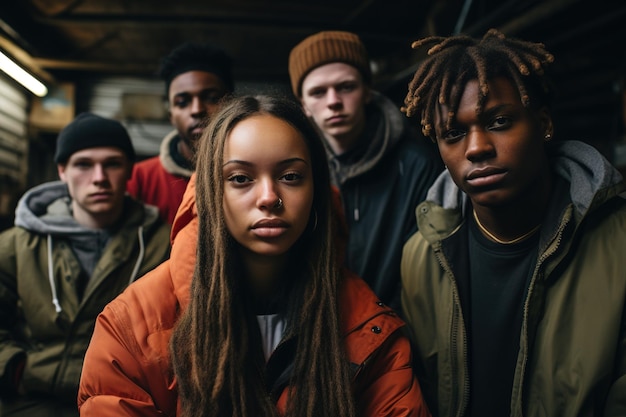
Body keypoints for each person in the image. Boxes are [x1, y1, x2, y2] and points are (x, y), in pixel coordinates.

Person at [77, 95, 431, 417]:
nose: (268, 197)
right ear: (210, 192)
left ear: (316, 191)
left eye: (291, 176)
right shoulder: (132, 326)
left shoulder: (368, 327)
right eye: (241, 178)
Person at [400, 28, 626, 417]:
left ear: (543, 123)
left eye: (500, 121)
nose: (476, 148)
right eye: (453, 133)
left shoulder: (618, 241)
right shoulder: (420, 257)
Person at [0, 112, 171, 416]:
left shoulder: (162, 246)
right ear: (62, 170)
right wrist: (14, 369)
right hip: (29, 403)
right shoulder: (17, 245)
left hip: (121, 405)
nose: (99, 178)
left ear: (130, 169)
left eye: (112, 163)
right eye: (83, 164)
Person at [288, 30, 443, 311]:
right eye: (318, 92)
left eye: (346, 87)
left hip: (394, 330)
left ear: (367, 92)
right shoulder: (296, 171)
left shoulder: (415, 163)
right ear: (304, 106)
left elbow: (429, 267)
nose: (333, 100)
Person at [126, 41, 235, 224]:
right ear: (171, 116)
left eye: (212, 98)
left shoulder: (253, 174)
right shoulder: (140, 178)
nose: (197, 109)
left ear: (232, 105)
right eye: (182, 102)